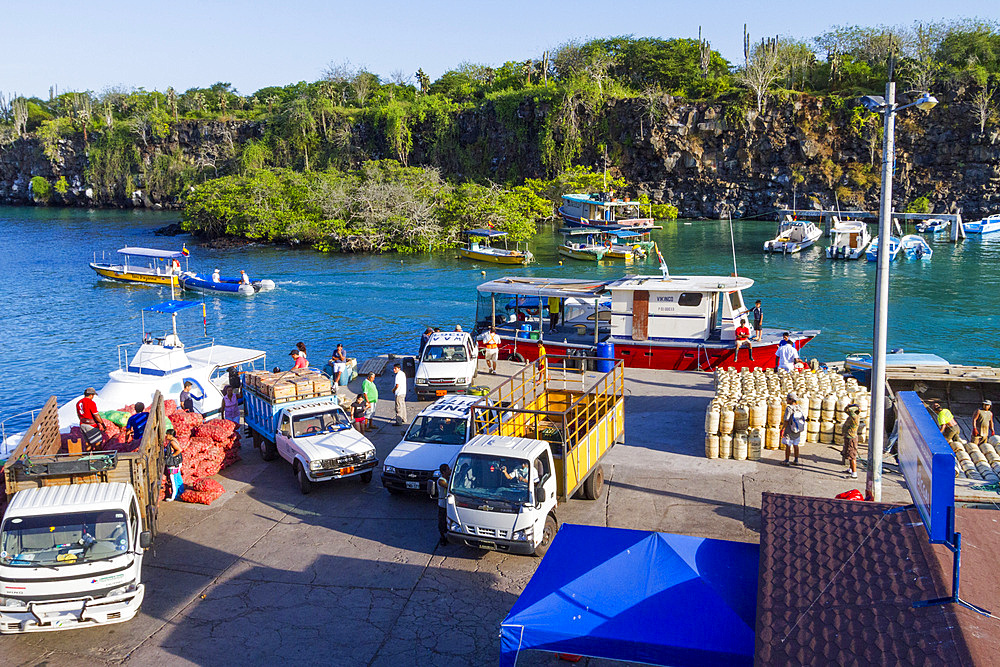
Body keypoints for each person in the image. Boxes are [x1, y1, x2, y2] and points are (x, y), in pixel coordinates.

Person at [781, 392, 805, 466]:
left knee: (788, 445)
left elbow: (786, 420)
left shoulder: (789, 408)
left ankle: (787, 460)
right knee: (796, 444)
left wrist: (783, 429)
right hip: (797, 429)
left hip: (790, 429)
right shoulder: (799, 407)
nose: (786, 400)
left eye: (787, 399)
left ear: (791, 400)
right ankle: (796, 460)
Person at [841, 403, 861, 478]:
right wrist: (850, 406)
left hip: (851, 439)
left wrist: (852, 406)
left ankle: (854, 474)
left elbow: (849, 410)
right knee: (849, 454)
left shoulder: (854, 417)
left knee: (852, 456)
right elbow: (846, 410)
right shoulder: (852, 416)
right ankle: (850, 469)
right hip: (848, 437)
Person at [164, 429, 184, 501]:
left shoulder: (172, 442)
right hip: (177, 464)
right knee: (178, 478)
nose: (166, 436)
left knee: (173, 480)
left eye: (167, 434)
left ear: (170, 435)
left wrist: (172, 456)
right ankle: (181, 492)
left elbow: (179, 450)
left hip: (173, 464)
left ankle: (173, 496)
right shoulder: (175, 440)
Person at [436, 463, 451, 547]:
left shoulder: (448, 478)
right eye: (448, 469)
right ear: (443, 471)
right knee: (442, 521)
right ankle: (442, 537)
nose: (450, 470)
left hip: (448, 505)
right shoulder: (441, 481)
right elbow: (449, 487)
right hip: (443, 505)